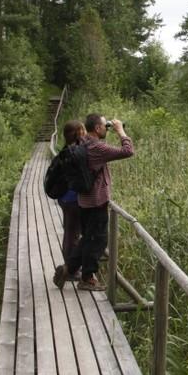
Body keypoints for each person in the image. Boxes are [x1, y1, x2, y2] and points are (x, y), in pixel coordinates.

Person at [66, 114, 134, 291]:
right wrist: (120, 131)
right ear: (97, 129)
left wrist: (108, 126)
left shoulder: (82, 142)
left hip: (83, 201)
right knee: (98, 242)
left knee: (87, 238)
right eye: (105, 126)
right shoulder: (97, 147)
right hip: (97, 202)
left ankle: (69, 269)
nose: (107, 128)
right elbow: (128, 151)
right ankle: (87, 279)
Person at [52, 119, 87, 289]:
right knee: (73, 234)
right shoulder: (76, 152)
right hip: (73, 200)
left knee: (70, 233)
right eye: (83, 131)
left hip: (64, 198)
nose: (85, 133)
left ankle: (71, 266)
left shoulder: (66, 150)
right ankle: (71, 270)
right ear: (78, 133)